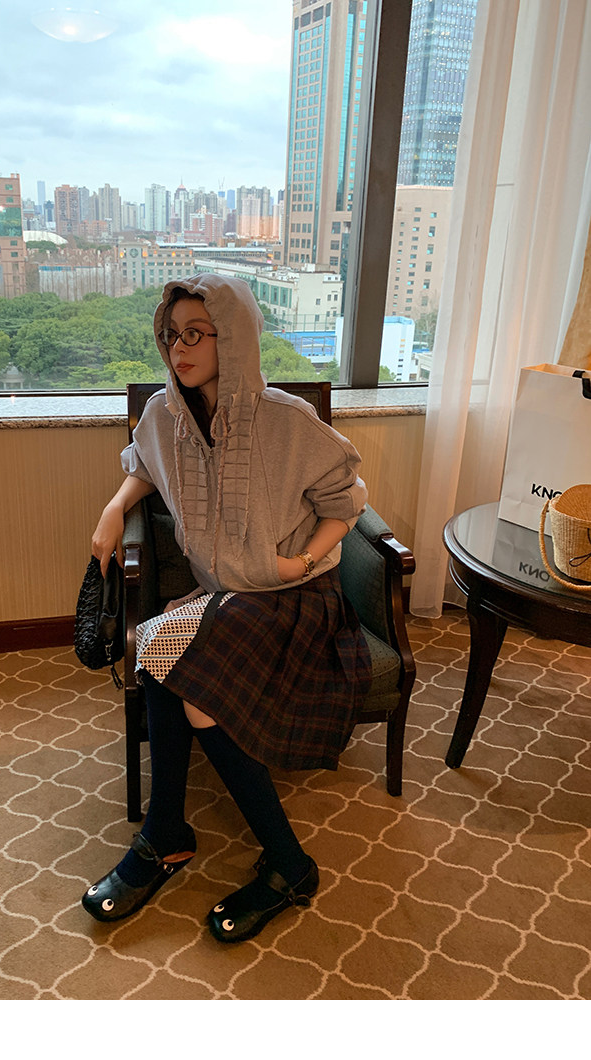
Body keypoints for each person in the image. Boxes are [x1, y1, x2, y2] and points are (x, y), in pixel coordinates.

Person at [82, 273, 371, 943]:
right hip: (225, 597)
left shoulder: (286, 420)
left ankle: (286, 862)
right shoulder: (164, 415)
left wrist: (300, 563)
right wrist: (113, 507)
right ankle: (169, 833)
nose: (179, 349)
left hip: (297, 599)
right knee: (158, 648)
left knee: (190, 691)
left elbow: (347, 501)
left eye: (196, 334)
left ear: (232, 338)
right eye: (170, 336)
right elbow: (143, 464)